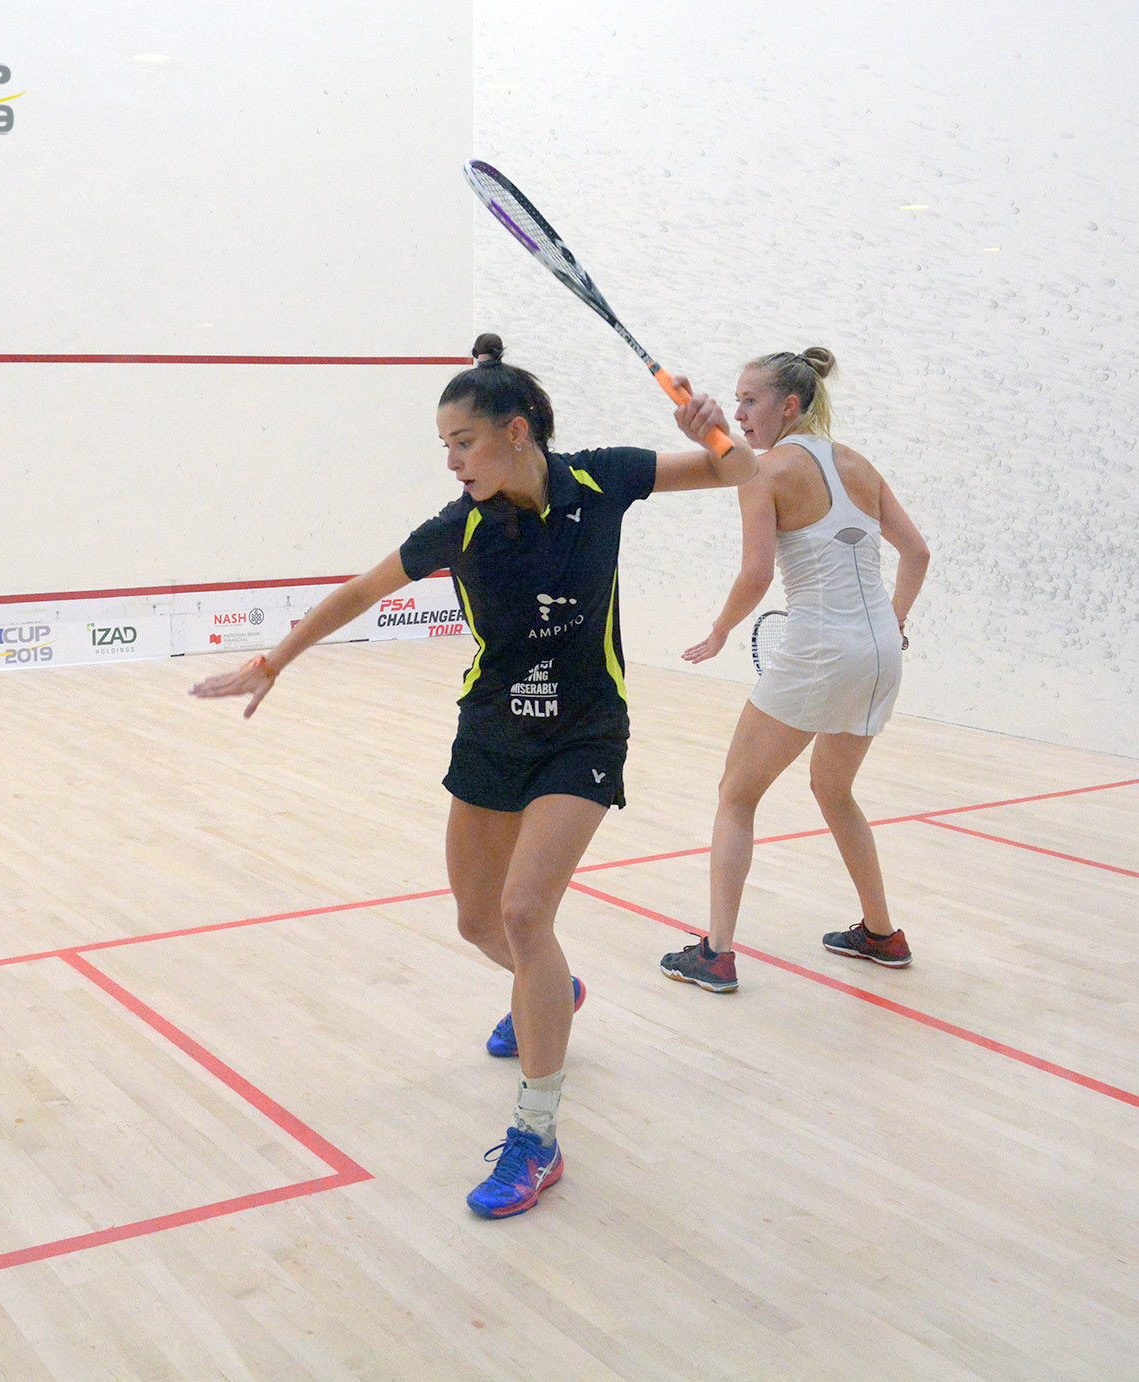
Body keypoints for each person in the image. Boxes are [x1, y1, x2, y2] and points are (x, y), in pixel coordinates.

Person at [192, 333, 756, 1217]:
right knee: (478, 922)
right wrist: (274, 661)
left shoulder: (603, 478)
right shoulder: (457, 527)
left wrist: (711, 426)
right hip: (492, 734)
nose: (452, 461)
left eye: (464, 442)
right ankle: (552, 990)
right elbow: (360, 593)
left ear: (517, 431)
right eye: (445, 446)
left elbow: (739, 473)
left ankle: (537, 1134)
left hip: (585, 732)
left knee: (526, 913)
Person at [660, 348, 930, 994]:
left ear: (789, 406)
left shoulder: (764, 471)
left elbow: (756, 575)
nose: (740, 413)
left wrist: (721, 629)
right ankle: (882, 933)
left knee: (736, 794)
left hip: (818, 651)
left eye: (750, 400)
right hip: (879, 654)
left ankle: (716, 954)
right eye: (736, 400)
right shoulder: (858, 464)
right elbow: (917, 553)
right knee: (834, 791)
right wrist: (893, 622)